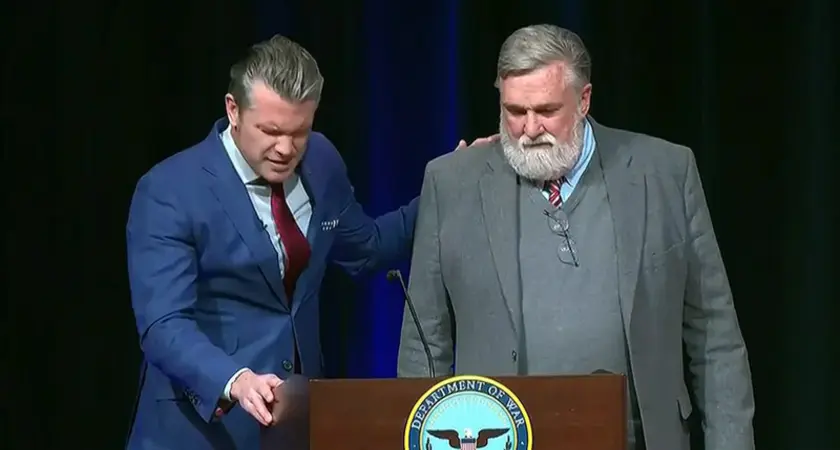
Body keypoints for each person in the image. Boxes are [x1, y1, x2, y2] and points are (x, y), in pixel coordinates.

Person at [125, 34, 494, 450]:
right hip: (199, 430)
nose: (285, 148)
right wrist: (235, 380)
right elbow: (163, 324)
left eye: (299, 131)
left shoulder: (320, 160)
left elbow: (367, 247)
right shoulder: (170, 190)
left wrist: (447, 187)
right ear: (233, 110)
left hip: (295, 428)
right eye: (270, 131)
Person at [397, 24, 755, 450]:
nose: (528, 129)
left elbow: (714, 337)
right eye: (514, 111)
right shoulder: (451, 183)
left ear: (584, 100)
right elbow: (425, 344)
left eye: (546, 110)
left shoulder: (665, 173)